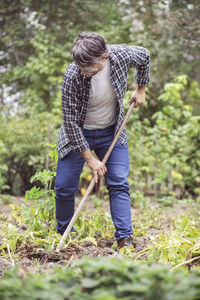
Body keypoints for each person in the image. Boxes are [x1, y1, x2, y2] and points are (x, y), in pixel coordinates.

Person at [54, 32, 150, 249]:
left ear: (104, 57)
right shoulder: (73, 74)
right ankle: (65, 233)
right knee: (64, 187)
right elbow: (69, 123)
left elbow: (144, 56)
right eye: (79, 65)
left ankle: (125, 238)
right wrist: (90, 159)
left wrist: (141, 88)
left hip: (112, 132)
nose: (82, 70)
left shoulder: (120, 56)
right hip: (78, 133)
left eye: (87, 66)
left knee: (118, 183)